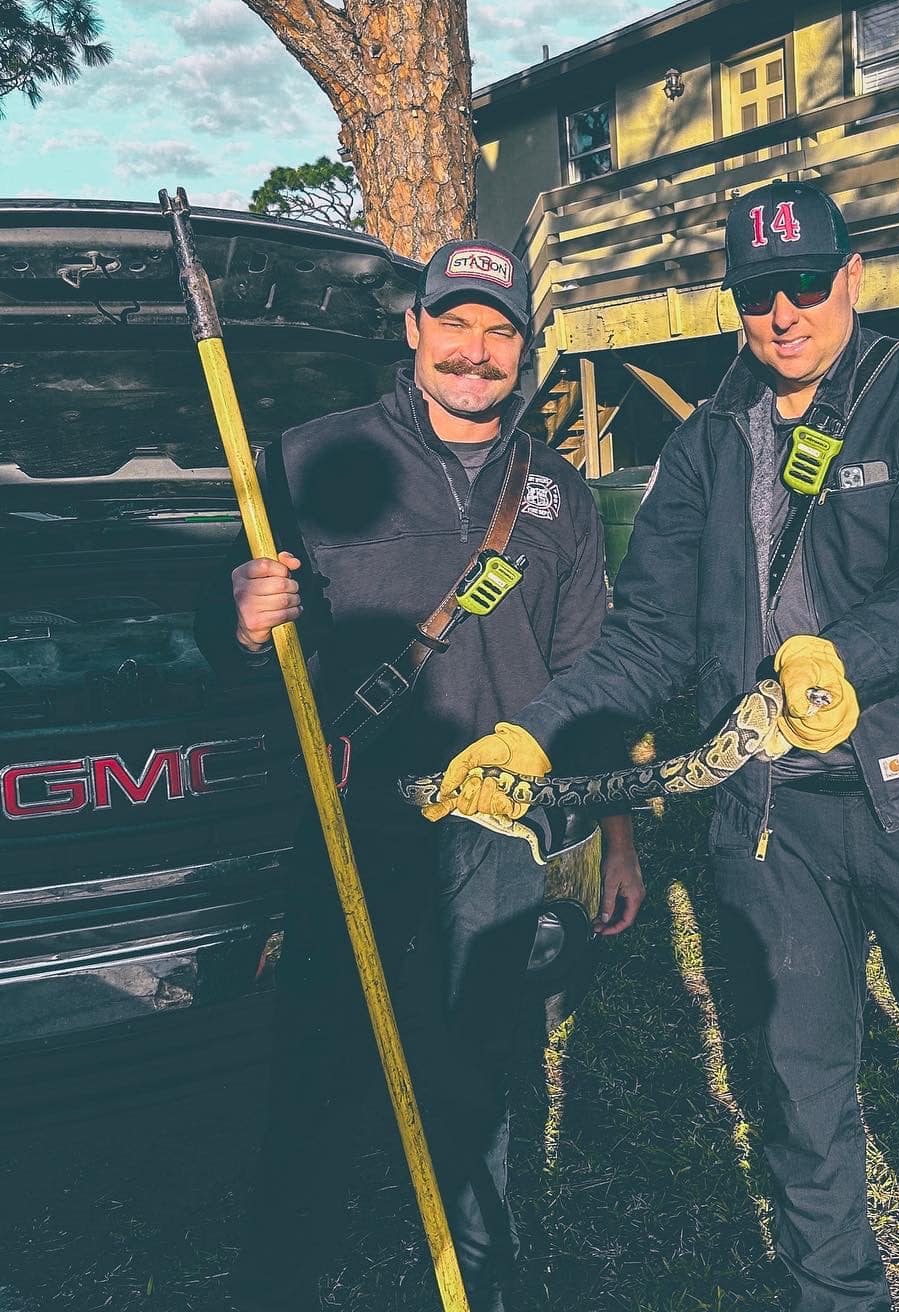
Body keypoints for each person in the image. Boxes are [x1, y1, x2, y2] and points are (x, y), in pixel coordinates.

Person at [434, 182, 899, 1311]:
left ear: (851, 276)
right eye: (756, 293)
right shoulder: (705, 443)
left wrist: (844, 657)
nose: (782, 313)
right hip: (768, 818)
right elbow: (646, 636)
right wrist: (535, 738)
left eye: (803, 283)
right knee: (797, 1093)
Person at [194, 236, 643, 1312]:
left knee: (480, 1071)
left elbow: (593, 668)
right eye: (456, 324)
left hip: (499, 831)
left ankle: (483, 1283)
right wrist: (243, 622)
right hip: (355, 822)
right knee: (316, 1067)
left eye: (499, 332)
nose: (475, 352)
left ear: (524, 351)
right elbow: (219, 630)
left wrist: (616, 830)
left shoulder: (561, 498)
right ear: (415, 330)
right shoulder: (315, 458)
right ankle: (277, 1282)